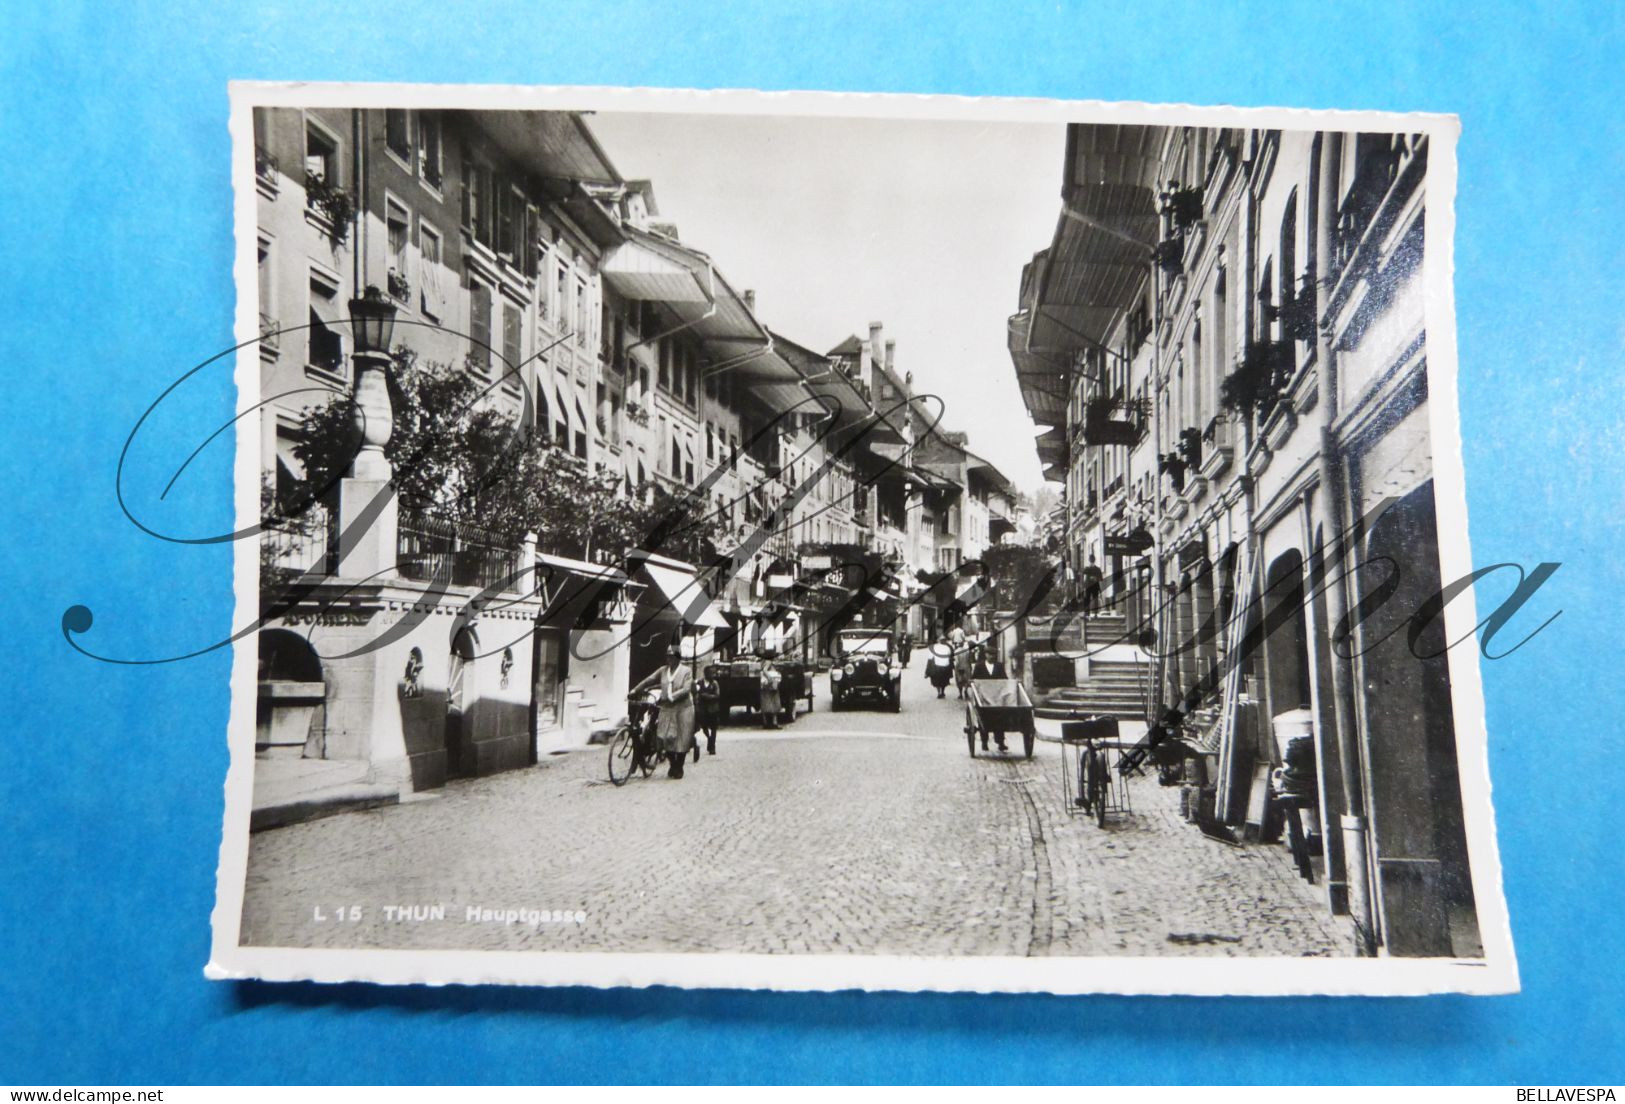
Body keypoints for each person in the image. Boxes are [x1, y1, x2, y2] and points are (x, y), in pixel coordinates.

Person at [629, 645, 697, 779]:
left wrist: (671, 696)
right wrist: (635, 690)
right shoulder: (663, 670)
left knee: (681, 740)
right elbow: (649, 680)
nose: (669, 659)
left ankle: (679, 767)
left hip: (683, 709)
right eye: (668, 656)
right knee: (663, 738)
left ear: (678, 657)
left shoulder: (686, 671)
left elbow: (686, 689)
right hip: (667, 708)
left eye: (672, 656)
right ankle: (673, 763)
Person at [970, 646, 1009, 752]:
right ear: (986, 655)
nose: (992, 656)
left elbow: (1004, 679)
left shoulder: (999, 666)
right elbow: (974, 680)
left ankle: (1000, 742)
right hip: (983, 698)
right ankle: (984, 742)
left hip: (996, 698)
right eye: (990, 654)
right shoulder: (979, 666)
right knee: (984, 719)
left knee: (1000, 719)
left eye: (994, 655)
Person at [695, 665, 722, 756]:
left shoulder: (715, 683)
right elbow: (696, 693)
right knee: (704, 727)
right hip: (703, 709)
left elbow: (717, 695)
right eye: (709, 673)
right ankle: (709, 738)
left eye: (712, 673)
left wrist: (706, 696)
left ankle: (712, 747)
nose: (711, 675)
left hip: (713, 709)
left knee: (714, 728)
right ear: (705, 673)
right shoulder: (700, 682)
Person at [758, 655, 783, 729]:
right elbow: (765, 670)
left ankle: (765, 722)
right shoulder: (768, 662)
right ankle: (774, 723)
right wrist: (770, 679)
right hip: (770, 685)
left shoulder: (763, 662)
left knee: (765, 703)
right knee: (774, 702)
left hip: (765, 685)